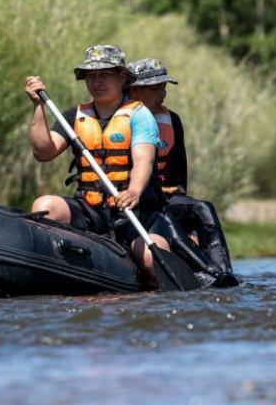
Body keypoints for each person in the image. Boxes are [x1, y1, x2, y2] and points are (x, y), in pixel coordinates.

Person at [23, 45, 171, 287]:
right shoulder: (75, 115)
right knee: (44, 206)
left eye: (104, 75)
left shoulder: (139, 114)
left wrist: (133, 191)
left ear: (122, 77)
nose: (96, 82)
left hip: (133, 214)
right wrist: (38, 106)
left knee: (149, 257)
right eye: (91, 76)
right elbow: (43, 152)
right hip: (90, 209)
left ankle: (150, 289)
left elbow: (144, 159)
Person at [126, 58, 238, 288]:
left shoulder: (172, 120)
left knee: (203, 207)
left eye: (164, 87)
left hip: (167, 197)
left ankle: (225, 272)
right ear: (134, 90)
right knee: (169, 225)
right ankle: (207, 274)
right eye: (156, 88)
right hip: (141, 199)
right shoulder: (121, 119)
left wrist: (189, 222)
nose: (163, 93)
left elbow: (179, 173)